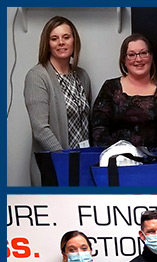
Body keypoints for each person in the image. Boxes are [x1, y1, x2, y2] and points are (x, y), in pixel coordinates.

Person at [24, 16, 91, 186]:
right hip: (55, 167)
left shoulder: (82, 76)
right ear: (47, 44)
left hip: (82, 166)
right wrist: (64, 159)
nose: (61, 42)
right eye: (54, 38)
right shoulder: (37, 76)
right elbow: (40, 129)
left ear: (74, 41)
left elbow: (87, 120)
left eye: (66, 37)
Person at [91, 34, 157, 149]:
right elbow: (99, 129)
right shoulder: (110, 88)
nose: (138, 59)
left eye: (143, 53)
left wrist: (152, 157)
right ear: (124, 60)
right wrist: (121, 155)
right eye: (131, 55)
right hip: (118, 161)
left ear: (151, 56)